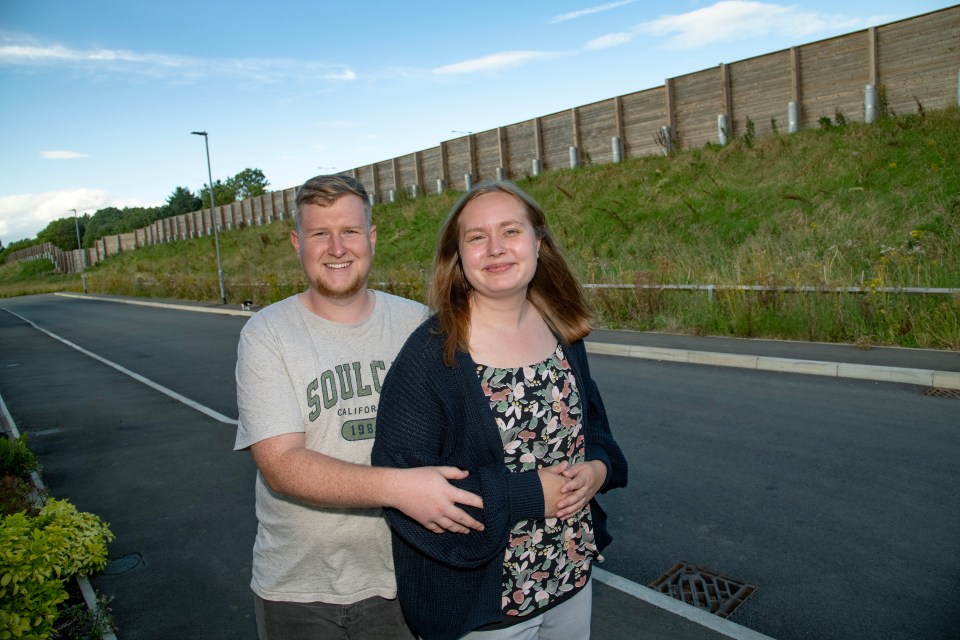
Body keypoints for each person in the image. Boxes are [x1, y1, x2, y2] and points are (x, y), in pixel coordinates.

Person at [371, 180, 629, 639]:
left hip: (571, 582)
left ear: (538, 243)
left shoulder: (562, 334)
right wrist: (528, 495)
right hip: (485, 613)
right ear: (458, 256)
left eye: (510, 231)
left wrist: (598, 470)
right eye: (476, 237)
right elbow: (405, 494)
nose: (495, 249)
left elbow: (596, 434)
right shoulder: (431, 359)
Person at [234, 174, 486, 640]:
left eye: (349, 231)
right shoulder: (267, 333)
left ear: (371, 237)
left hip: (406, 578)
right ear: (296, 243)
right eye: (318, 233)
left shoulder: (417, 324)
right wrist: (400, 488)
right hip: (298, 589)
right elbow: (282, 465)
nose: (336, 247)